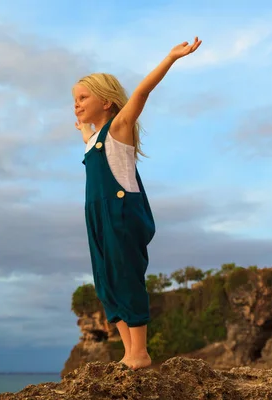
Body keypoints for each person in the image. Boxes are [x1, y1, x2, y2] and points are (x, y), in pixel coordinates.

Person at [72, 37, 202, 370]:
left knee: (127, 277)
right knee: (105, 282)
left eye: (83, 97)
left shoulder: (119, 128)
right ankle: (129, 351)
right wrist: (84, 131)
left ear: (108, 101)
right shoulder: (93, 140)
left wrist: (171, 58)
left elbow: (142, 93)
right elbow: (89, 141)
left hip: (120, 213)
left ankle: (140, 352)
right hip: (97, 218)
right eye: (74, 99)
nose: (77, 103)